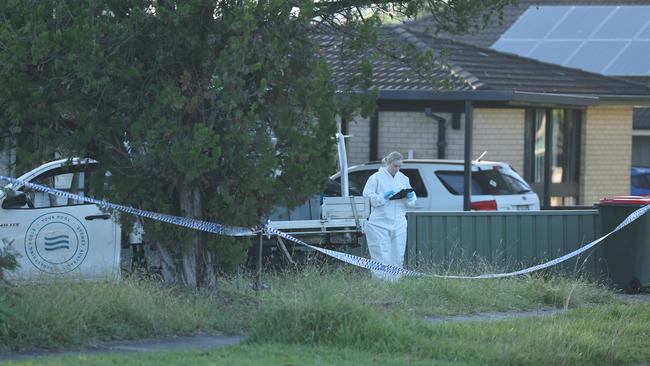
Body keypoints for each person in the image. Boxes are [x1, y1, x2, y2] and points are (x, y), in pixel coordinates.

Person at [362, 151, 416, 281]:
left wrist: (409, 197)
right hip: (379, 222)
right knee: (380, 253)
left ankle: (394, 283)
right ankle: (380, 283)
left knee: (398, 253)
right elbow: (367, 196)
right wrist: (382, 196)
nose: (397, 169)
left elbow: (412, 200)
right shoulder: (376, 178)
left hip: (399, 222)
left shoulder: (403, 178)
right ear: (388, 163)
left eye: (399, 166)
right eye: (395, 166)